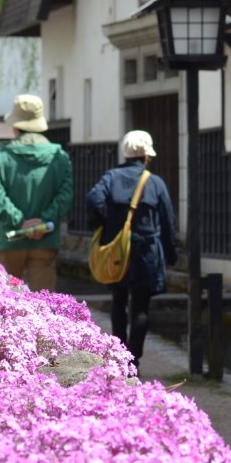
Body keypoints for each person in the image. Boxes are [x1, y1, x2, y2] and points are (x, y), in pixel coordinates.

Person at [86, 129, 178, 371]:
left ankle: (119, 354)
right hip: (146, 252)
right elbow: (168, 222)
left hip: (118, 252)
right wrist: (171, 254)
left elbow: (93, 199)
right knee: (141, 307)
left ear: (125, 154)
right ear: (147, 157)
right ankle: (133, 359)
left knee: (118, 302)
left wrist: (104, 225)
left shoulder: (111, 177)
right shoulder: (155, 182)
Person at [0, 93, 72, 290]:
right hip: (45, 239)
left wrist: (20, 222)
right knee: (44, 304)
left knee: (7, 306)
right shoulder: (60, 157)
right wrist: (41, 224)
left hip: (11, 238)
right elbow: (65, 196)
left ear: (15, 126)